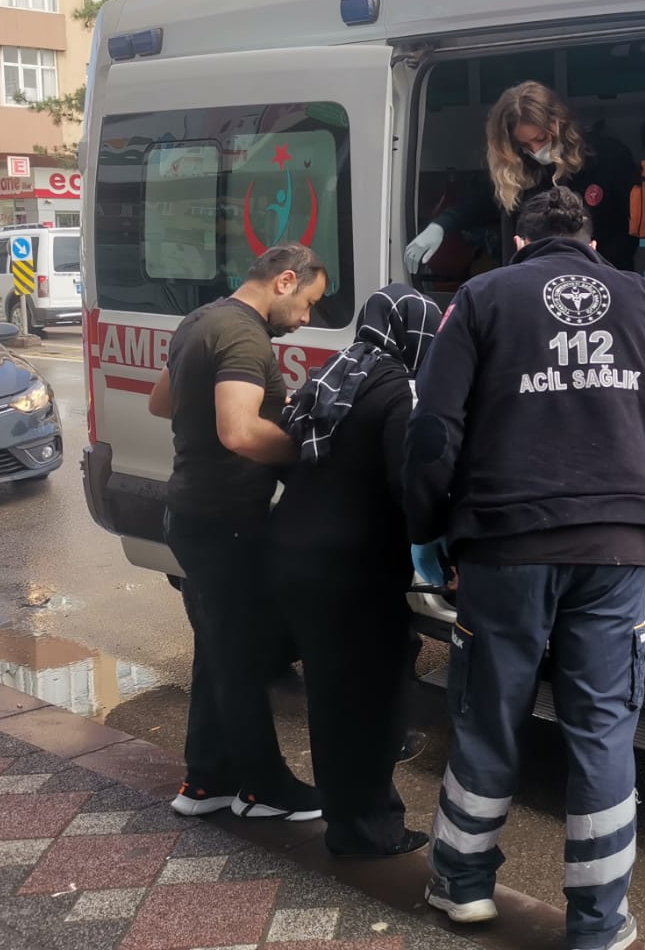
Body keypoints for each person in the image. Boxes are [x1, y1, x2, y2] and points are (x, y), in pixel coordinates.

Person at [404, 188, 645, 950]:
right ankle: (598, 923)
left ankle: (463, 888)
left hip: (504, 545)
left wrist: (430, 532)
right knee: (603, 728)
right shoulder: (642, 294)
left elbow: (434, 428)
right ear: (592, 243)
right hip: (616, 546)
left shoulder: (480, 296)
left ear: (518, 241)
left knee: (489, 712)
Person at [147, 243, 328, 822]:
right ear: (285, 281)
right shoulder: (246, 336)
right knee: (242, 656)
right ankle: (264, 788)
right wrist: (310, 450)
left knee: (220, 650)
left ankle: (207, 781)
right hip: (224, 518)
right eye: (307, 304)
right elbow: (240, 432)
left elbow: (160, 401)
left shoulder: (201, 320)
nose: (306, 319)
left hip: (190, 512)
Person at [272, 283, 441, 858]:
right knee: (374, 697)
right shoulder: (399, 392)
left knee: (333, 694)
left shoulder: (334, 373)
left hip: (297, 555)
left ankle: (347, 819)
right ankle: (369, 831)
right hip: (354, 568)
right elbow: (409, 484)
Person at [404, 80, 638, 276]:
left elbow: (631, 228)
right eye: (525, 144)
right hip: (534, 283)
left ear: (558, 123)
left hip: (605, 278)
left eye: (542, 138)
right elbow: (479, 204)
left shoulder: (608, 157)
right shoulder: (520, 168)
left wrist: (596, 268)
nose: (536, 150)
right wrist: (440, 225)